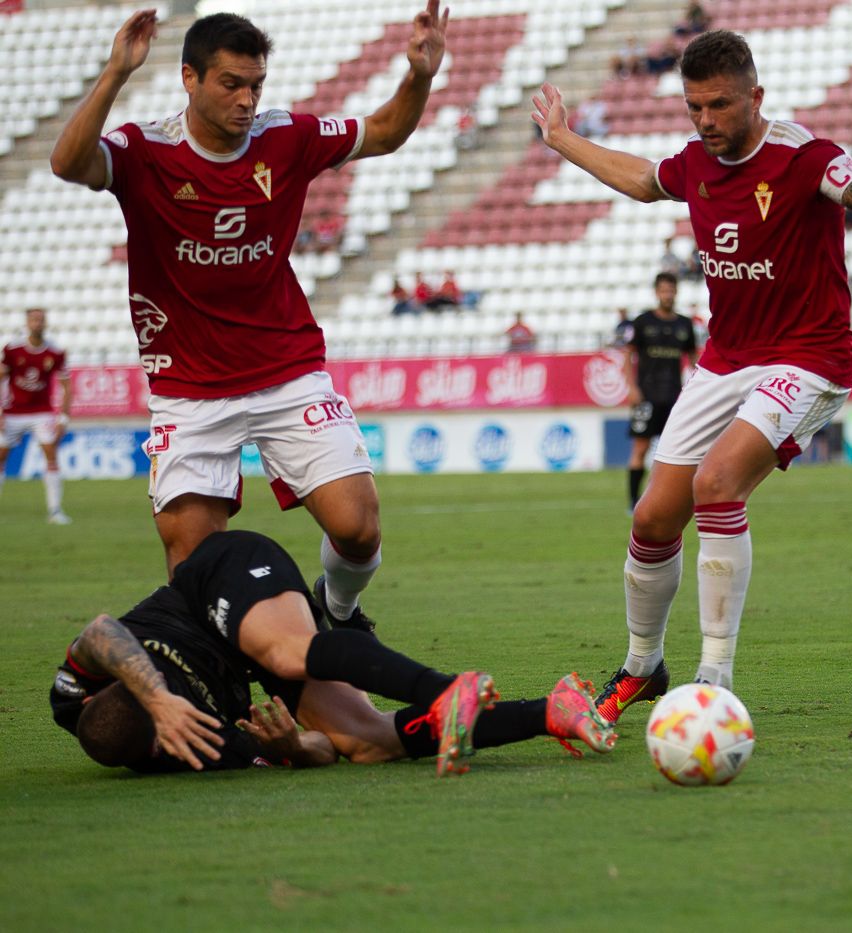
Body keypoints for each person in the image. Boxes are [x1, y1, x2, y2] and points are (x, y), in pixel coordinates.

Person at [530, 30, 852, 716]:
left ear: (755, 96)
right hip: (725, 361)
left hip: (807, 358)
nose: (706, 121)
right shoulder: (695, 162)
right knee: (653, 519)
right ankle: (643, 666)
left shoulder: (806, 157)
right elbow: (643, 179)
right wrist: (563, 139)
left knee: (716, 486)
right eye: (694, 108)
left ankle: (714, 678)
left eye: (718, 105)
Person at [48, 7, 452, 632]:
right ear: (190, 78)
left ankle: (338, 612)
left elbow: (385, 131)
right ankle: (218, 689)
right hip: (189, 389)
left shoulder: (285, 136)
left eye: (255, 84)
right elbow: (69, 164)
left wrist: (419, 76)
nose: (246, 98)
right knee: (192, 566)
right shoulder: (144, 149)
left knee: (359, 528)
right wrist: (114, 73)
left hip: (286, 369)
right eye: (231, 83)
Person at [51, 529, 616, 775]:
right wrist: (292, 746)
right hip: (248, 664)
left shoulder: (74, 699)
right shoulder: (190, 748)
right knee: (367, 743)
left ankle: (447, 689)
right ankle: (549, 711)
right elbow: (323, 751)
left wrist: (156, 695)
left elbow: (101, 632)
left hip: (215, 585)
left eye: (165, 702)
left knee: (285, 654)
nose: (177, 710)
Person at [625, 272, 697, 510]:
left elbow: (694, 358)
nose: (667, 294)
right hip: (646, 395)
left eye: (671, 290)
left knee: (675, 450)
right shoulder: (643, 322)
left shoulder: (684, 324)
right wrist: (632, 387)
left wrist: (694, 388)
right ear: (657, 292)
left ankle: (668, 499)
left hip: (675, 397)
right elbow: (628, 354)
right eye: (663, 290)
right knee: (641, 448)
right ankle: (633, 502)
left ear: (676, 292)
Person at [0, 308, 72, 524]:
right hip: (13, 412)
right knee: (1, 456)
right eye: (33, 320)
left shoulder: (55, 352)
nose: (37, 323)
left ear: (45, 323)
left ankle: (55, 511)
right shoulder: (12, 350)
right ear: (27, 323)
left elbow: (66, 387)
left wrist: (63, 418)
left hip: (41, 412)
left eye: (40, 320)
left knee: (51, 454)